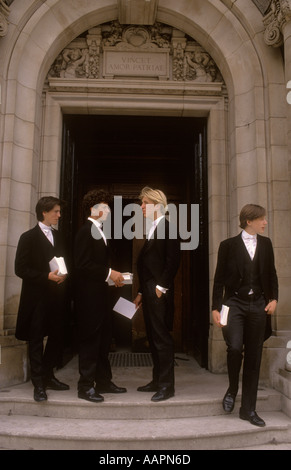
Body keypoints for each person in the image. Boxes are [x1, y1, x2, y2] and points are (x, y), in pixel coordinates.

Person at [212, 204, 278, 427]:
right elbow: (219, 279)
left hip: (258, 304)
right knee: (234, 347)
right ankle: (232, 388)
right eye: (262, 219)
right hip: (234, 304)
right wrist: (215, 308)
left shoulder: (266, 244)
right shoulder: (228, 246)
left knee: (254, 356)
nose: (265, 223)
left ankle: (248, 409)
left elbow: (272, 273)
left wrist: (273, 299)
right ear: (249, 221)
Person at [74, 189, 127, 403]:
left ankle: (104, 381)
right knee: (90, 341)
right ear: (93, 209)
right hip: (89, 300)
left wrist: (114, 276)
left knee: (104, 340)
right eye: (104, 207)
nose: (108, 211)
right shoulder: (85, 231)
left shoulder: (99, 231)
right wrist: (109, 273)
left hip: (101, 297)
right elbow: (82, 265)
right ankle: (85, 386)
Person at [15, 196, 69, 402]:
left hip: (56, 297)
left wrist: (64, 275)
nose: (59, 215)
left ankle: (48, 375)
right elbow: (20, 269)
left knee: (57, 335)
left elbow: (63, 261)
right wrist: (45, 276)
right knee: (36, 339)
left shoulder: (60, 237)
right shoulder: (27, 237)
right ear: (44, 212)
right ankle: (38, 383)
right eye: (55, 211)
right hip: (36, 298)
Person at [134, 187, 180, 402]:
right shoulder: (153, 227)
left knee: (161, 338)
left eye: (144, 203)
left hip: (159, 291)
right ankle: (156, 380)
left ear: (155, 205)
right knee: (152, 338)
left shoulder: (168, 227)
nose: (141, 207)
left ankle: (166, 386)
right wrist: (143, 292)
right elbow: (148, 265)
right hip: (150, 290)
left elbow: (172, 261)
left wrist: (160, 289)